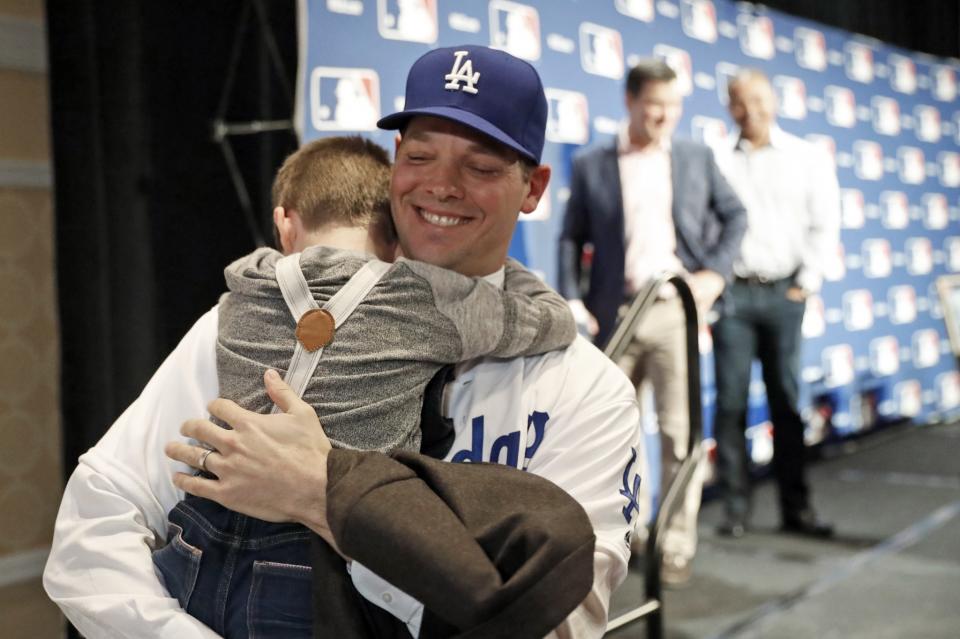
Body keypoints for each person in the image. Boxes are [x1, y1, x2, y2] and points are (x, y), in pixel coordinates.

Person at [44, 45, 643, 638]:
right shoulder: (265, 319)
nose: (441, 186)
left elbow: (559, 624)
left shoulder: (586, 390)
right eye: (420, 156)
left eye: (480, 167)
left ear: (534, 188)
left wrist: (327, 497)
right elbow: (97, 517)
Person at [152, 134, 581, 637]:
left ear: (284, 223)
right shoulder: (422, 298)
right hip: (310, 561)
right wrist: (496, 263)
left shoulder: (242, 289)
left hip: (195, 533)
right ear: (396, 236)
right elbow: (553, 321)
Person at [558, 59, 746, 586]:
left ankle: (677, 545)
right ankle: (627, 536)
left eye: (673, 105)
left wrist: (714, 274)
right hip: (613, 317)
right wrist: (573, 297)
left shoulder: (694, 155)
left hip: (673, 314)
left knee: (679, 433)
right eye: (654, 104)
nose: (664, 115)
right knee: (613, 435)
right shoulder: (595, 162)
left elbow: (735, 215)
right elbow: (572, 235)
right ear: (630, 102)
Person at [711, 69, 840, 539]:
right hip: (735, 295)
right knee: (729, 403)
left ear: (775, 101)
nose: (752, 112)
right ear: (730, 106)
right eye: (741, 103)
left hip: (785, 291)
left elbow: (825, 222)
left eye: (759, 101)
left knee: (786, 402)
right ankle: (736, 510)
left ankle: (796, 509)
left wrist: (805, 283)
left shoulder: (806, 157)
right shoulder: (717, 159)